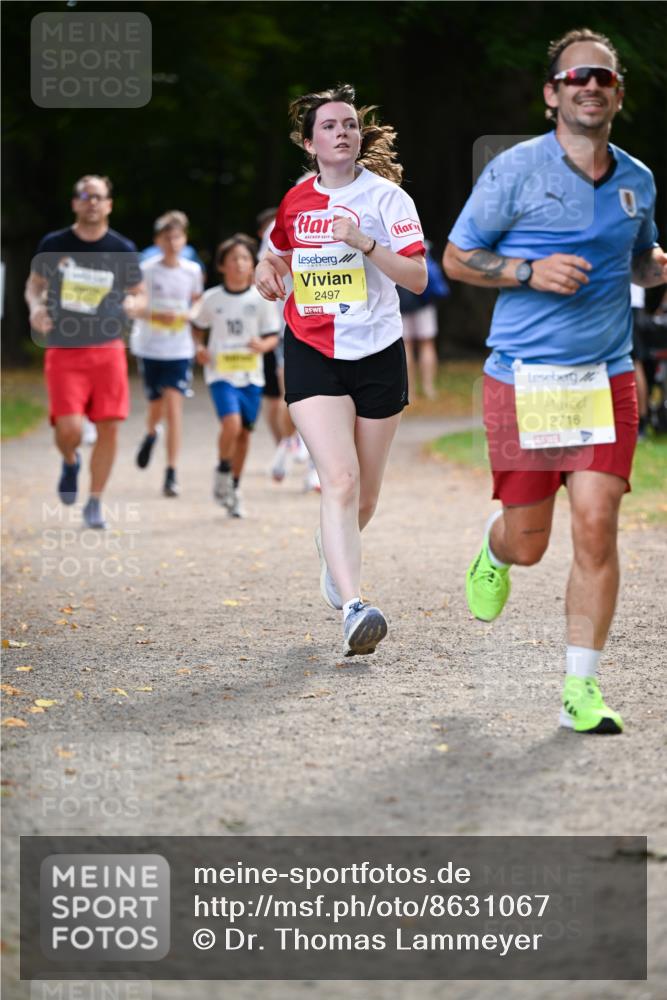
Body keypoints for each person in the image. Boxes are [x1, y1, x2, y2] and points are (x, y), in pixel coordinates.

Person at [444, 28, 666, 732]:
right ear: (552, 95)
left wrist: (653, 268)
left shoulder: (635, 179)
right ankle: (494, 548)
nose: (589, 86)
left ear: (617, 94)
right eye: (576, 77)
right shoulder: (513, 171)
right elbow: (454, 257)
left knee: (596, 526)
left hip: (606, 375)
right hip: (524, 378)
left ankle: (580, 689)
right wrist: (524, 271)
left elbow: (635, 258)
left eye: (602, 76)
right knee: (530, 542)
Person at [256, 84, 427, 656]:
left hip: (378, 351)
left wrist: (364, 241)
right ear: (310, 143)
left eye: (350, 124)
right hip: (310, 347)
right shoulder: (296, 200)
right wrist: (265, 265)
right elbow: (277, 249)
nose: (343, 132)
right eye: (329, 126)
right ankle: (355, 608)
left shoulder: (389, 200)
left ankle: (335, 550)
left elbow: (418, 279)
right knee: (341, 479)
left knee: (366, 497)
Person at [24, 174, 145, 529]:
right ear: (75, 203)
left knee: (109, 428)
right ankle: (70, 459)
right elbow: (34, 287)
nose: (92, 202)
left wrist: (135, 302)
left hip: (107, 349)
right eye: (85, 196)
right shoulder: (54, 243)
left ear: (109, 204)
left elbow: (140, 292)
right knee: (70, 429)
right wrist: (35, 308)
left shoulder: (122, 248)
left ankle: (94, 502)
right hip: (64, 349)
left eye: (98, 197)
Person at [191, 234, 280, 517]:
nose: (240, 264)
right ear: (222, 266)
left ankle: (234, 487)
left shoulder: (261, 298)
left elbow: (272, 336)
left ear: (252, 264)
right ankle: (222, 470)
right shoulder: (211, 298)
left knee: (244, 435)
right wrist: (200, 348)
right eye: (234, 259)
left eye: (245, 258)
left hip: (251, 376)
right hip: (221, 373)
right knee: (231, 424)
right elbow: (197, 326)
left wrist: (262, 346)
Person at [130, 210, 203, 497]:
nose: (173, 242)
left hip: (179, 349)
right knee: (155, 407)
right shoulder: (146, 270)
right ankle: (151, 434)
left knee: (174, 409)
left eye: (178, 237)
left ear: (184, 240)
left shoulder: (192, 271)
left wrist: (189, 317)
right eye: (167, 237)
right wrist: (155, 314)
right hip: (150, 347)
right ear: (158, 240)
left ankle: (171, 472)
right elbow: (135, 305)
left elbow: (198, 304)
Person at [398, 241, 450, 400]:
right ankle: (429, 389)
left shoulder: (389, 242)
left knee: (405, 346)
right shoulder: (420, 241)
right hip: (424, 301)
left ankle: (410, 392)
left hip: (400, 302)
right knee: (427, 343)